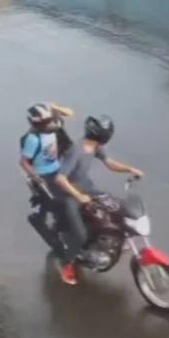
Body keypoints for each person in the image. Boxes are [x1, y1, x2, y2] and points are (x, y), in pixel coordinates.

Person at [54, 115, 143, 285]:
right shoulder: (77, 150)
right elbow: (60, 178)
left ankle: (111, 239)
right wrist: (79, 196)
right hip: (70, 195)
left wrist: (129, 169)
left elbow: (109, 163)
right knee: (80, 235)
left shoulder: (94, 146)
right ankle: (66, 265)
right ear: (104, 135)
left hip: (88, 188)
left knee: (116, 205)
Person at [19, 102, 74, 240]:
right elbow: (23, 161)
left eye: (50, 121)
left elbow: (69, 112)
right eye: (46, 123)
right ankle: (54, 226)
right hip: (43, 174)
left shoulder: (54, 127)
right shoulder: (32, 139)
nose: (50, 125)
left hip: (57, 167)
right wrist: (35, 176)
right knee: (54, 201)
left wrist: (53, 107)